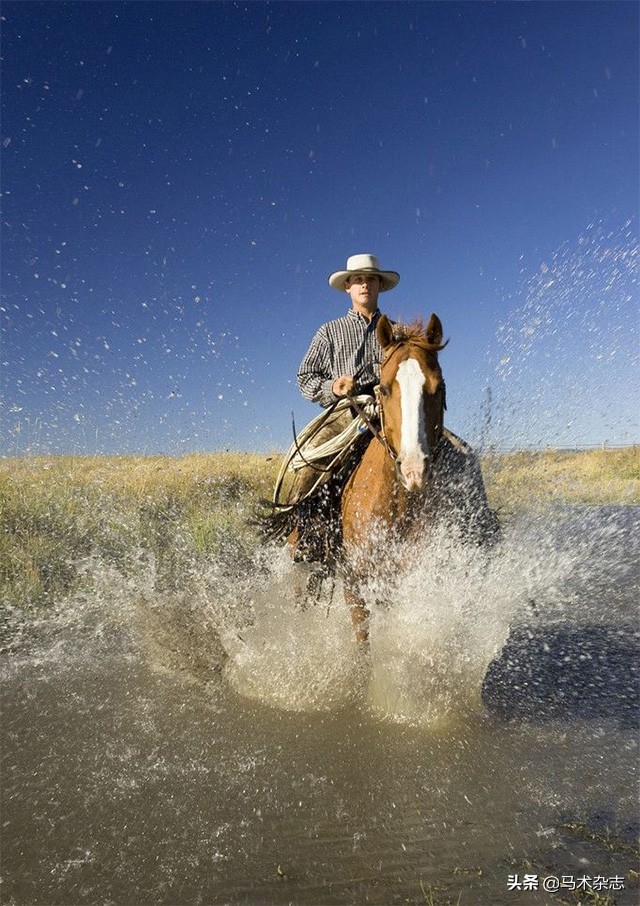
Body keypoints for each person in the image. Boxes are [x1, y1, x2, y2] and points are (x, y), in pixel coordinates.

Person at [288, 253, 399, 505]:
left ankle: (476, 523)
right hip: (346, 414)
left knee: (458, 452)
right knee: (310, 463)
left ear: (380, 285)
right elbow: (305, 376)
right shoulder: (329, 332)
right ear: (348, 287)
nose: (365, 285)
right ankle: (297, 527)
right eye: (358, 280)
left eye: (371, 279)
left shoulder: (398, 331)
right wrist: (334, 386)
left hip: (392, 412)